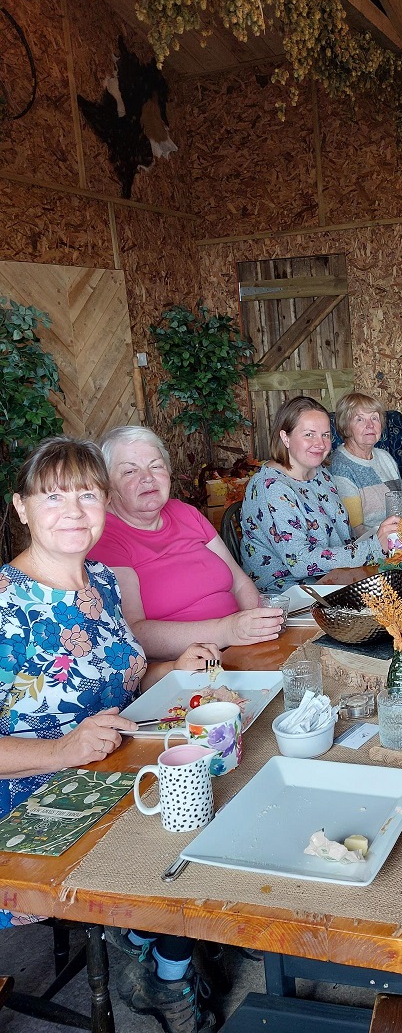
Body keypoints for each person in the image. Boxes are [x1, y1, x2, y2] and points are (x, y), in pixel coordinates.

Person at [0, 436, 220, 1032]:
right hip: (33, 801)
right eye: (53, 496)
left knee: (224, 776)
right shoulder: (6, 606)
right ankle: (161, 962)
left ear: (104, 504)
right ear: (21, 508)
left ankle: (166, 938)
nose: (73, 510)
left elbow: (120, 675)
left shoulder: (99, 579)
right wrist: (60, 750)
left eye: (87, 495)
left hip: (118, 762)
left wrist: (173, 671)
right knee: (190, 825)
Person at [91, 426, 283, 660]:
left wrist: (254, 626)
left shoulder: (185, 513)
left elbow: (239, 582)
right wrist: (228, 631)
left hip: (241, 648)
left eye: (156, 466)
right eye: (130, 471)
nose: (147, 478)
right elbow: (135, 632)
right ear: (107, 484)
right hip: (186, 667)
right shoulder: (105, 537)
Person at [240, 396, 400, 590]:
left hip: (336, 578)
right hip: (290, 594)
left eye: (325, 435)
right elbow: (301, 562)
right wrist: (374, 547)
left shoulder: (320, 474)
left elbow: (344, 535)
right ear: (285, 438)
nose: (321, 444)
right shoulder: (271, 488)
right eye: (309, 434)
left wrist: (382, 538)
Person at [328, 392, 402, 535]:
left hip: (399, 535)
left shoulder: (384, 457)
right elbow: (356, 530)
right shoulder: (340, 467)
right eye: (360, 419)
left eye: (374, 418)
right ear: (346, 426)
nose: (370, 425)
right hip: (372, 547)